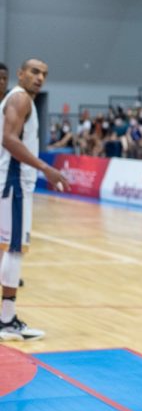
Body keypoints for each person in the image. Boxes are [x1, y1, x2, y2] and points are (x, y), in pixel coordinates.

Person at [0, 59, 70, 342]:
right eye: (34, 71)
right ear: (20, 74)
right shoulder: (20, 99)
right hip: (14, 183)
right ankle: (7, 320)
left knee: (6, 249)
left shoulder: (17, 99)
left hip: (10, 183)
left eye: (44, 74)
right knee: (14, 249)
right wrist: (45, 168)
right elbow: (8, 139)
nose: (40, 77)